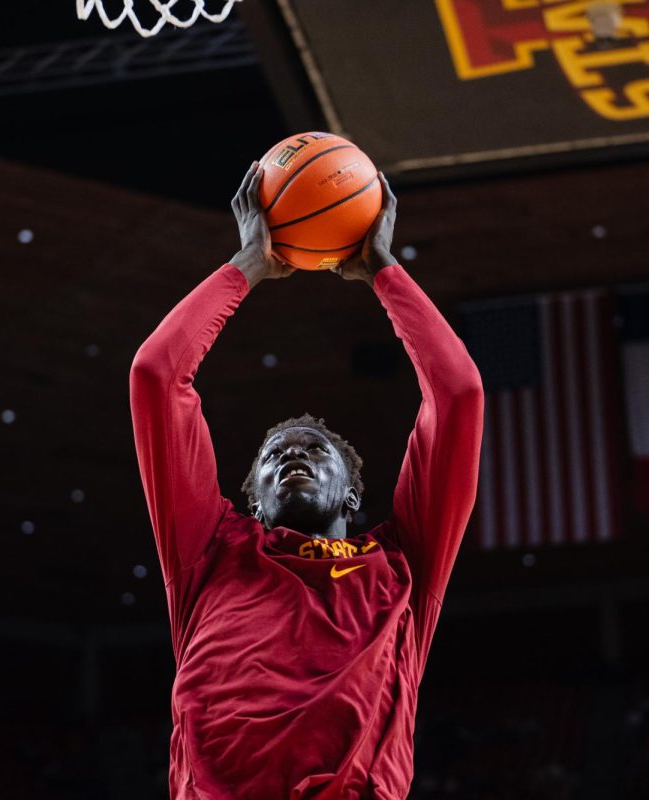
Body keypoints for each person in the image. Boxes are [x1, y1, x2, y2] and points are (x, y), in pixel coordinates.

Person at [130, 161, 484, 799]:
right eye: (273, 454)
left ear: (352, 493)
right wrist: (246, 266)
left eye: (314, 450)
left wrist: (385, 272)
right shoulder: (209, 552)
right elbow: (157, 374)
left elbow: (457, 395)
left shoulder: (403, 563)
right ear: (253, 502)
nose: (291, 455)